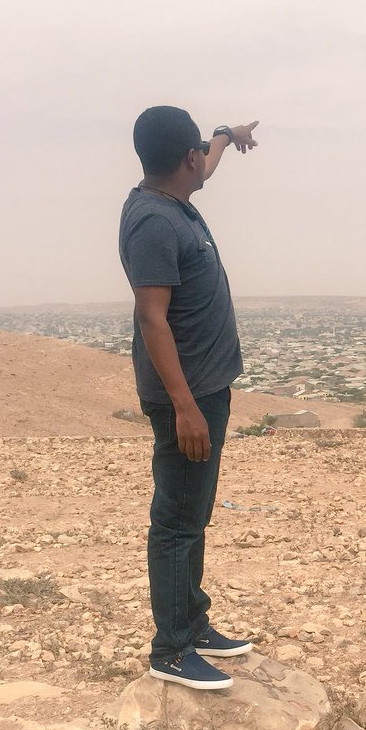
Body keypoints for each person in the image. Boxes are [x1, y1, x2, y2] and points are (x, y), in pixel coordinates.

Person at [119, 106, 259, 691]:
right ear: (185, 159)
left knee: (193, 514)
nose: (209, 157)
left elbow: (209, 158)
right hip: (188, 398)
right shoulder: (155, 222)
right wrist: (184, 406)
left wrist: (230, 135)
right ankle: (171, 649)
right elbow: (153, 319)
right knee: (177, 519)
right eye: (202, 149)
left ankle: (192, 623)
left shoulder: (170, 199)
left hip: (203, 390)